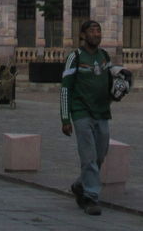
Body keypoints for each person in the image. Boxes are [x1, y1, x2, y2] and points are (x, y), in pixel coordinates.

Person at [60, 19, 115, 216]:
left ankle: (79, 184)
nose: (97, 34)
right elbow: (66, 88)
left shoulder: (104, 56)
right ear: (83, 35)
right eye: (92, 31)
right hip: (81, 112)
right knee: (89, 156)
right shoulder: (75, 57)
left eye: (99, 31)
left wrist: (120, 87)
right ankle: (91, 197)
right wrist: (66, 118)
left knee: (100, 154)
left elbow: (111, 81)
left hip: (102, 112)